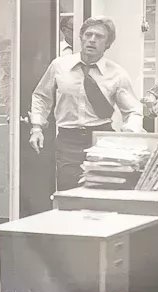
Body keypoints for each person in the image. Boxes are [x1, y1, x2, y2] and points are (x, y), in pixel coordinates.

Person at [27, 16, 140, 192]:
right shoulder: (59, 66)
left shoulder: (117, 74)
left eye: (99, 37)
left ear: (108, 44)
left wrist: (129, 133)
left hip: (102, 139)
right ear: (80, 38)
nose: (92, 40)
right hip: (68, 141)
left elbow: (133, 110)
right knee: (69, 191)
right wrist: (36, 128)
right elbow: (41, 96)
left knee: (102, 191)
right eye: (88, 35)